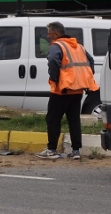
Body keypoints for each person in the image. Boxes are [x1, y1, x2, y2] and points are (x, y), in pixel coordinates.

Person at [36, 21, 98, 160]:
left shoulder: (57, 46)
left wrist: (55, 78)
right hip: (77, 90)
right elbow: (91, 61)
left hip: (62, 90)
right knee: (74, 119)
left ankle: (51, 149)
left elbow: (52, 60)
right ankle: (76, 151)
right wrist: (84, 78)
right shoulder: (79, 47)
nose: (47, 36)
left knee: (53, 119)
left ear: (56, 34)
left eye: (49, 33)